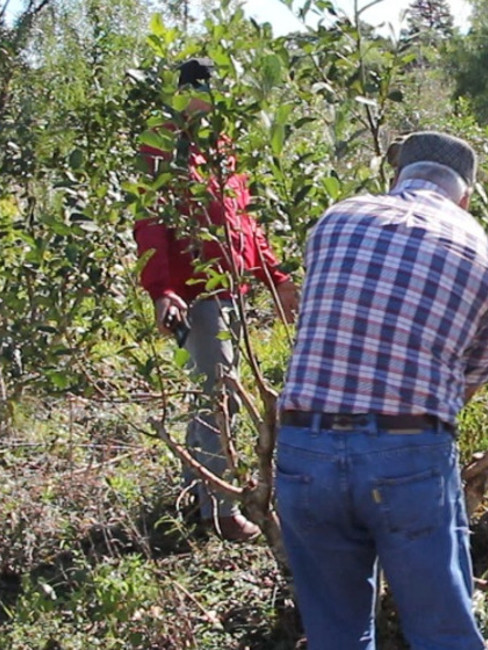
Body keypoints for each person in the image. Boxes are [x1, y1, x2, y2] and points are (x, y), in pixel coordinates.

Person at [277, 131, 488, 649]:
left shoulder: (336, 219)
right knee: (442, 630)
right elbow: (469, 381)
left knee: (336, 631)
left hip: (303, 446)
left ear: (397, 176)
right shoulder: (486, 258)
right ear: (466, 196)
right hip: (407, 449)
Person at [134, 57, 299, 542]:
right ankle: (222, 511)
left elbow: (242, 221)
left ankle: (195, 493)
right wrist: (162, 290)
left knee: (212, 390)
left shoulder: (221, 148)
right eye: (202, 93)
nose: (209, 104)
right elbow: (149, 224)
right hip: (194, 293)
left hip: (229, 289)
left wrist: (276, 277)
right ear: (185, 94)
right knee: (219, 394)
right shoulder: (164, 146)